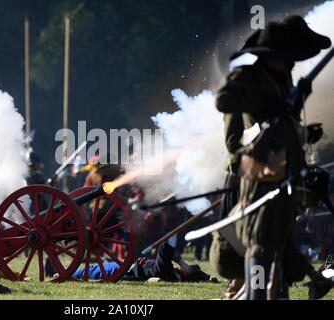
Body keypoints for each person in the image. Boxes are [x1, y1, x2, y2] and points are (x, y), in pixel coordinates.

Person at [215, 15, 332, 299]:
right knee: (260, 244)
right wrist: (271, 105)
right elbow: (224, 101)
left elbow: (283, 129)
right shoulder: (248, 79)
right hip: (260, 177)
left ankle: (274, 291)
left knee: (279, 245)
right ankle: (255, 292)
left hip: (282, 176)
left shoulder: (279, 82)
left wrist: (300, 124)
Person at [70, 242, 217, 283]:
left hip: (126, 270)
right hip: (131, 268)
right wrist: (209, 278)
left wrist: (181, 262)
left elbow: (164, 247)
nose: (188, 267)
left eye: (189, 269)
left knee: (93, 271)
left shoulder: (165, 271)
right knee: (95, 269)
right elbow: (197, 271)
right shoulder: (170, 275)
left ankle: (69, 274)